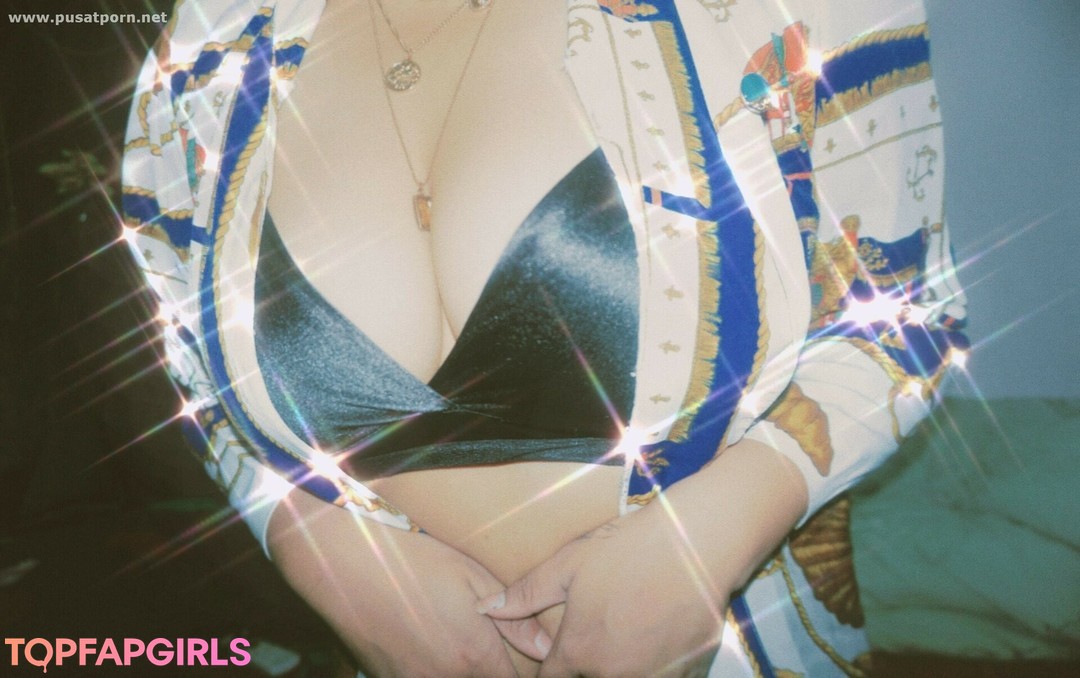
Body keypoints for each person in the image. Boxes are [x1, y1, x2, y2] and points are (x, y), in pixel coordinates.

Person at [121, 0, 968, 675]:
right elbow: (185, 351)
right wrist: (312, 544)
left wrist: (704, 544)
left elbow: (905, 312)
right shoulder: (216, 29)